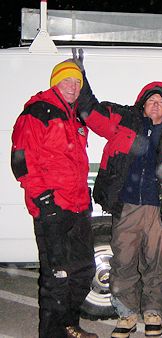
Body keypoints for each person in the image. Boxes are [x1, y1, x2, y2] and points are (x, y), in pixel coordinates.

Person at [77, 68, 162, 337]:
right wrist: (81, 77)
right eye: (151, 100)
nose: (155, 105)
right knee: (124, 261)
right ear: (142, 103)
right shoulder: (124, 121)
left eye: (161, 101)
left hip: (159, 209)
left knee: (157, 264)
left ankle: (153, 311)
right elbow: (90, 112)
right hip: (127, 206)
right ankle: (126, 314)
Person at [10, 60, 97, 338]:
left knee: (83, 271)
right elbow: (21, 161)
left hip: (79, 206)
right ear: (55, 83)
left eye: (76, 83)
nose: (72, 87)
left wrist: (86, 199)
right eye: (66, 81)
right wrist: (44, 200)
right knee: (56, 276)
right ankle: (52, 333)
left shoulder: (75, 116)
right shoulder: (37, 112)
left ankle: (70, 325)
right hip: (53, 208)